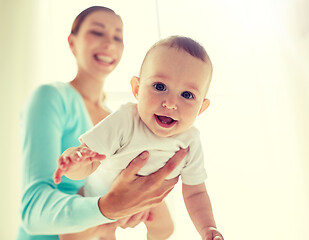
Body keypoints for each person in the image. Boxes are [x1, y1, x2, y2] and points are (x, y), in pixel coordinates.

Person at [17, 6, 187, 240]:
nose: (110, 43)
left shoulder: (123, 121)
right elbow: (33, 211)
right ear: (72, 42)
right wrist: (108, 208)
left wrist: (137, 203)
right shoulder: (51, 98)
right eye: (97, 32)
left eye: (118, 37)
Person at [54, 36, 224, 240]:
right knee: (69, 234)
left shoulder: (190, 141)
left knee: (165, 229)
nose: (170, 103)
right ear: (137, 89)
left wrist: (208, 228)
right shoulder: (126, 120)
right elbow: (89, 161)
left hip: (147, 200)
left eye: (187, 95)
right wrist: (74, 162)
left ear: (201, 108)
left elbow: (195, 193)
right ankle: (105, 232)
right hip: (97, 197)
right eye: (160, 87)